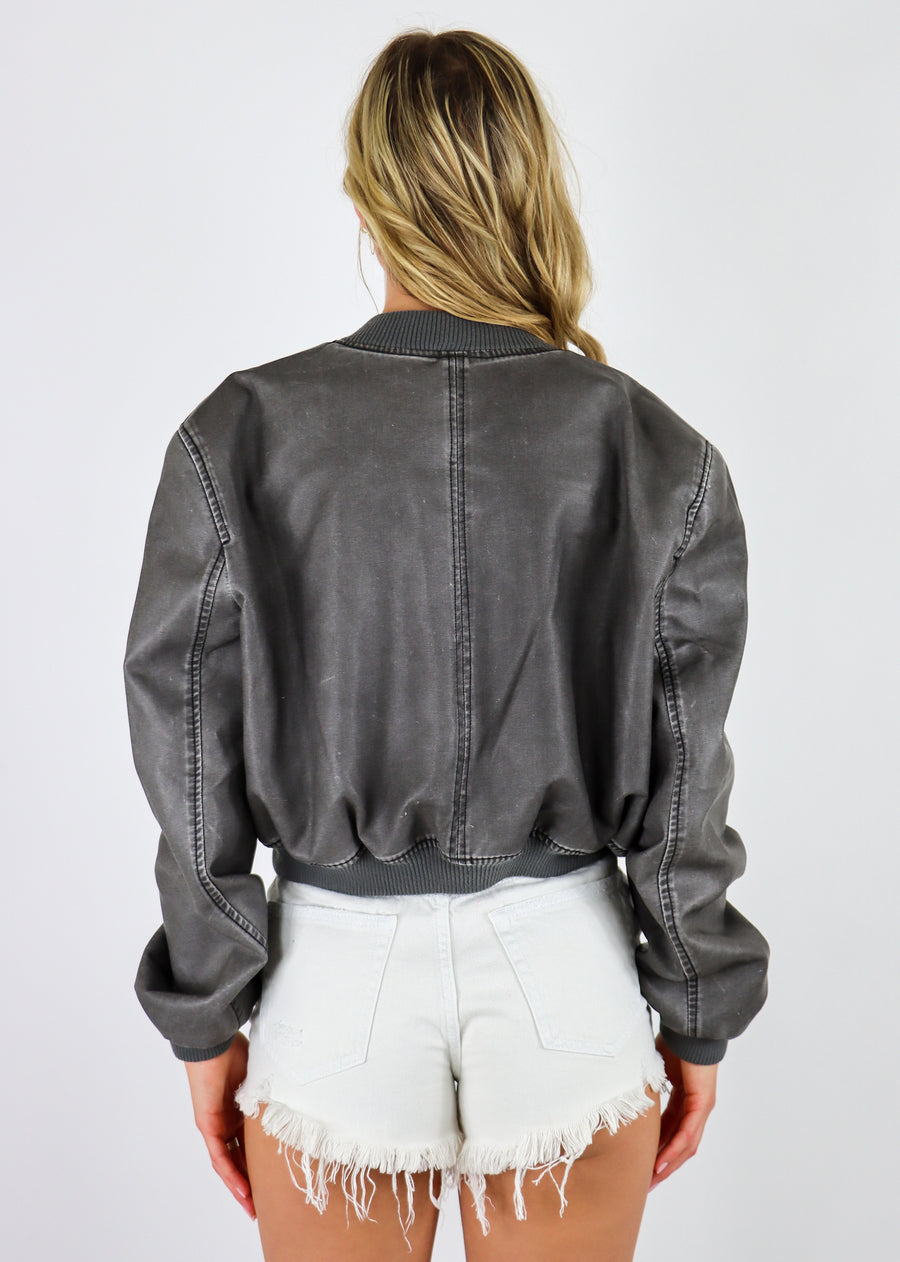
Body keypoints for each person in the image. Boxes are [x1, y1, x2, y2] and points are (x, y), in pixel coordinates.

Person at [122, 26, 770, 1262]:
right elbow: (688, 777)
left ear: (368, 192)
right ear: (529, 180)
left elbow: (186, 750)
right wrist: (698, 1007)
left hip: (335, 990)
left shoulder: (239, 434)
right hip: (567, 977)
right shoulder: (653, 449)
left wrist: (206, 1016)